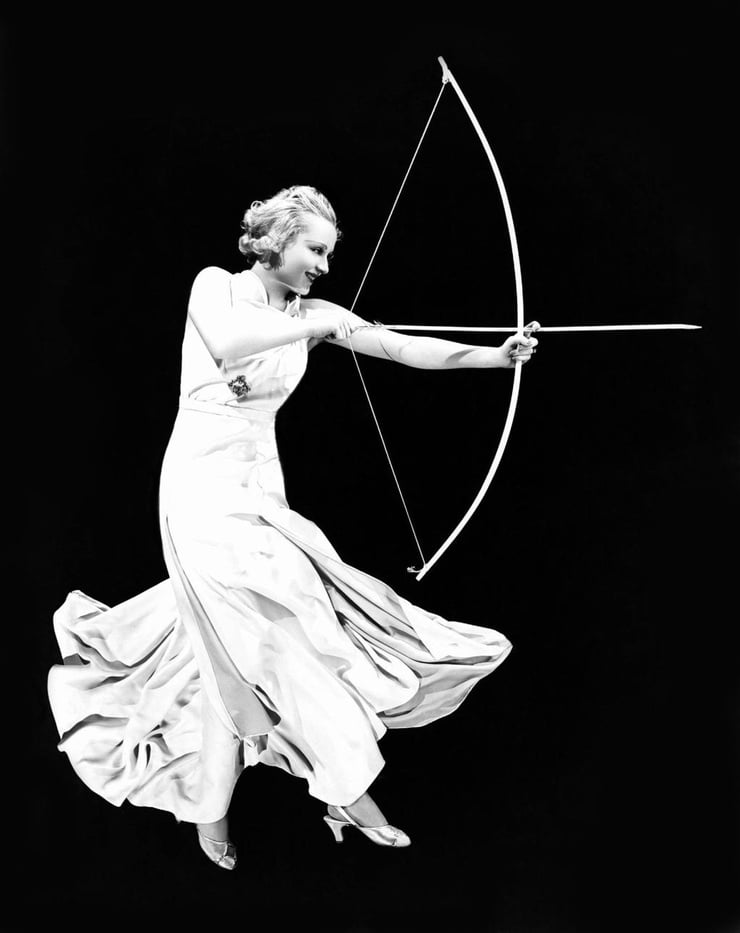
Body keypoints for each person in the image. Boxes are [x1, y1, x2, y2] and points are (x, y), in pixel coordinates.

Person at [47, 185, 538, 870]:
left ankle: (218, 805)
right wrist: (311, 326)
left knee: (269, 637)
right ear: (276, 240)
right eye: (315, 249)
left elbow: (399, 347)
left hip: (259, 486)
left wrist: (494, 356)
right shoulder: (216, 287)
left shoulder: (317, 313)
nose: (325, 266)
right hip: (198, 487)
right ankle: (345, 792)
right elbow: (229, 340)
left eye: (330, 254)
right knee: (263, 641)